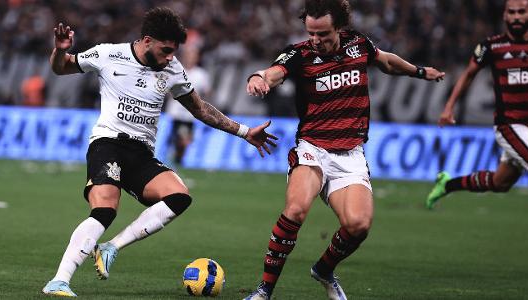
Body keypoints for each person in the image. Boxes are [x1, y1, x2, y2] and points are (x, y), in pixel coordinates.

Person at [42, 7, 277, 297]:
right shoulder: (108, 54)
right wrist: (59, 51)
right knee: (105, 209)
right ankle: (59, 280)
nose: (170, 57)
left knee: (179, 196)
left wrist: (243, 131)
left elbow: (200, 109)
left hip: (141, 153)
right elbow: (61, 67)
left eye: (174, 51)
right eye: (166, 50)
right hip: (108, 143)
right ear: (147, 40)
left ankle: (111, 248)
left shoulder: (173, 68)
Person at [243, 1, 445, 299]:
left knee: (358, 225)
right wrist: (258, 78)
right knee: (296, 210)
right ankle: (264, 291)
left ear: (339, 28)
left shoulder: (359, 45)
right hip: (313, 147)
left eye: (323, 34)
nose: (316, 40)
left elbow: (386, 61)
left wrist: (418, 71)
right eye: (311, 33)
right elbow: (274, 71)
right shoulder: (299, 53)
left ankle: (323, 270)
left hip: (350, 153)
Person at [426, 0, 528, 267]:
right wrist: (449, 107)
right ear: (504, 15)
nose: (515, 17)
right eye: (511, 12)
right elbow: (467, 75)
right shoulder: (492, 46)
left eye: (521, 11)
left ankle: (447, 184)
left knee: (500, 183)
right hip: (508, 126)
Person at [165, 44, 212, 165]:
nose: (190, 58)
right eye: (188, 55)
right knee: (180, 139)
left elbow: (207, 93)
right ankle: (173, 160)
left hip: (191, 114)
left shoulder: (201, 74)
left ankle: (176, 160)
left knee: (185, 141)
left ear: (197, 58)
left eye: (193, 55)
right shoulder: (175, 71)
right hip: (176, 114)